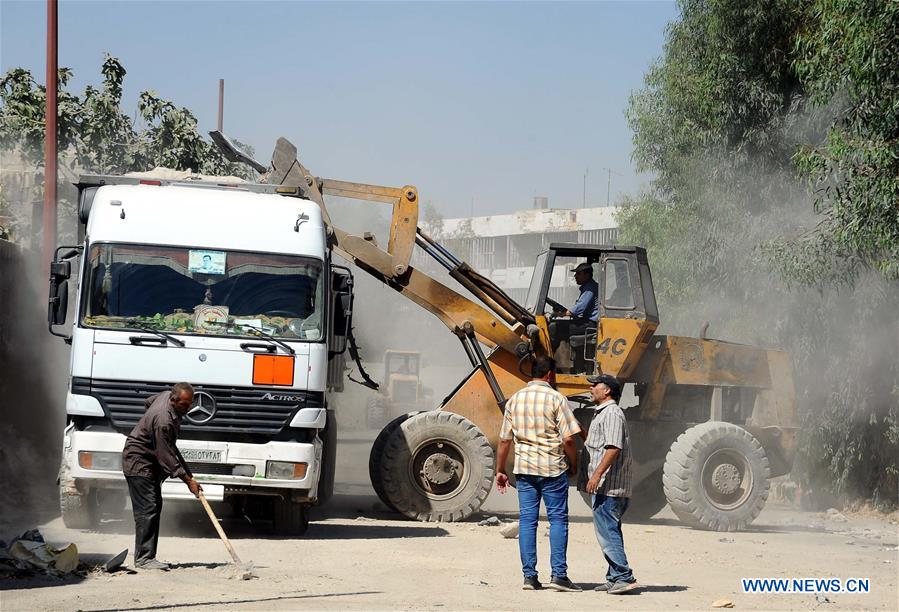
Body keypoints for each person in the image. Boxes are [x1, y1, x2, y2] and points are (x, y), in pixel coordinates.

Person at [495, 356, 582, 592]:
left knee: (527, 522)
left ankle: (529, 577)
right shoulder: (556, 398)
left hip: (524, 470)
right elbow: (568, 439)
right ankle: (559, 575)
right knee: (557, 520)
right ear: (550, 375)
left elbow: (504, 440)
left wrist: (500, 470)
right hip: (553, 469)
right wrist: (573, 464)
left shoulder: (515, 400)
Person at [122, 382, 203, 570]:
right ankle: (144, 559)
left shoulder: (165, 395)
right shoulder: (163, 421)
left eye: (189, 403)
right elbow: (166, 456)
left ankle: (147, 555)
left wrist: (148, 425)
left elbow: (148, 402)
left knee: (154, 506)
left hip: (149, 460)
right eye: (183, 405)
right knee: (148, 508)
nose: (187, 408)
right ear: (173, 400)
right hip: (139, 461)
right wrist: (188, 481)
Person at [578, 373, 639, 594]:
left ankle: (624, 577)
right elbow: (599, 444)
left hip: (609, 486)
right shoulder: (602, 413)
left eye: (596, 385)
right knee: (608, 530)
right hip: (606, 485)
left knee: (608, 532)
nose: (591, 387)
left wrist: (596, 476)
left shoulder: (612, 413)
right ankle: (614, 577)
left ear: (608, 391)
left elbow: (613, 447)